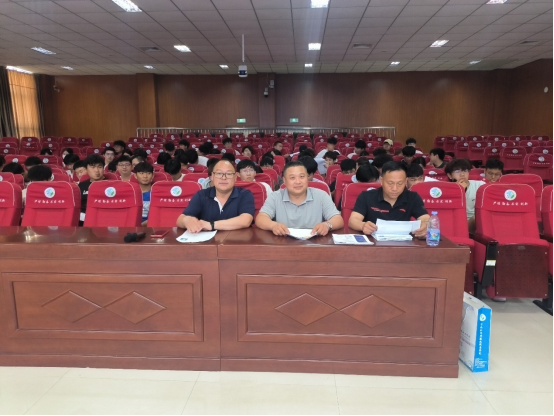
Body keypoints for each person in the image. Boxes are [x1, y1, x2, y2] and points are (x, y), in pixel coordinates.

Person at [256, 161, 343, 235]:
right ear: (284, 180)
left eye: (302, 177)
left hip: (314, 243)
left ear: (307, 178)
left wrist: (327, 225)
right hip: (283, 243)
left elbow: (338, 219)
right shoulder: (275, 196)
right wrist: (273, 226)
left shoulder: (321, 195)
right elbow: (261, 218)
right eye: (292, 178)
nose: (298, 182)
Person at [349, 162, 429, 238]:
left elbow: (425, 218)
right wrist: (362, 225)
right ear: (381, 181)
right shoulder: (366, 196)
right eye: (390, 183)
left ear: (405, 181)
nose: (395, 188)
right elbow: (353, 220)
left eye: (400, 183)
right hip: (373, 243)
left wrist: (425, 226)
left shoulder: (413, 197)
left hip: (403, 244)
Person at [177, 160, 255, 232]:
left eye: (229, 174)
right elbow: (180, 220)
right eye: (219, 173)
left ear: (235, 178)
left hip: (236, 241)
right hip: (207, 241)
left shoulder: (245, 195)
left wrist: (211, 225)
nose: (223, 178)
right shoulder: (201, 195)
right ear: (212, 177)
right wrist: (186, 220)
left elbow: (246, 220)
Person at [445, 159, 484, 232]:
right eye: (457, 171)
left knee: (477, 218)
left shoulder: (480, 185)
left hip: (476, 222)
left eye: (465, 170)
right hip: (455, 222)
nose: (462, 174)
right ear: (449, 175)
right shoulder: (446, 190)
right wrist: (459, 191)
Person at [78, 155, 106, 225]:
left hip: (104, 217)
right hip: (83, 219)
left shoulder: (111, 185)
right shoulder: (82, 185)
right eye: (93, 167)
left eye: (99, 167)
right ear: (86, 169)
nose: (96, 170)